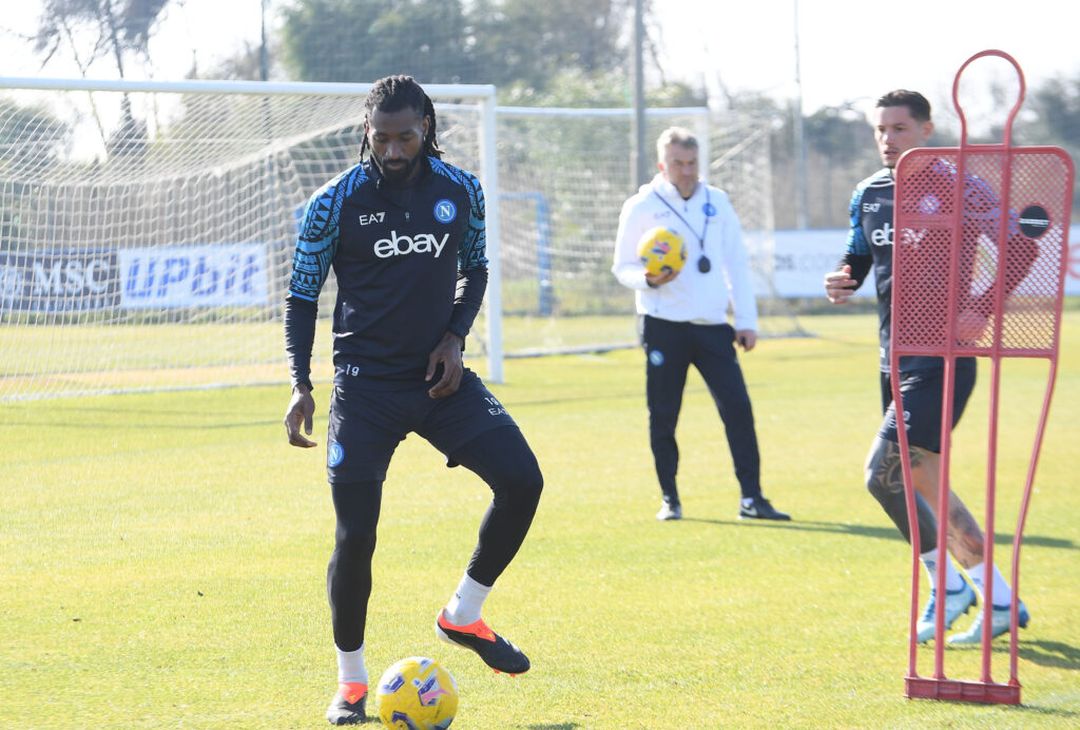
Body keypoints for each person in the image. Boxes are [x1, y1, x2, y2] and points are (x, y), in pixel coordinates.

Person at [283, 75, 543, 725]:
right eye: (382, 138)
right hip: (365, 390)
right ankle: (350, 685)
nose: (394, 151)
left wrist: (455, 337)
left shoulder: (461, 191)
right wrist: (300, 383)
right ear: (365, 134)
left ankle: (463, 615)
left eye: (406, 136)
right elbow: (301, 296)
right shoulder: (332, 203)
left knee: (523, 481)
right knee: (357, 536)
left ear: (427, 128)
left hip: (440, 380)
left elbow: (476, 265)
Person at [823, 89, 1035, 644]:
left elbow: (1022, 247)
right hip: (891, 358)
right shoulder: (868, 194)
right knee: (925, 485)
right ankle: (1000, 600)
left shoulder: (959, 184)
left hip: (942, 358)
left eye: (898, 128)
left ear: (925, 129)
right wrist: (842, 277)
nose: (887, 140)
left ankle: (948, 586)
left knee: (881, 473)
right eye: (880, 130)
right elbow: (858, 254)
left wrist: (979, 308)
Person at [612, 126, 790, 523]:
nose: (687, 171)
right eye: (678, 163)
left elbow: (736, 265)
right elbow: (621, 266)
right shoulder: (642, 205)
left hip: (712, 327)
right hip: (662, 325)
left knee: (738, 409)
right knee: (664, 413)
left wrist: (746, 321)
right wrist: (647, 280)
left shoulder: (718, 202)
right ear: (663, 164)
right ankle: (670, 498)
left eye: (693, 163)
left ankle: (752, 498)